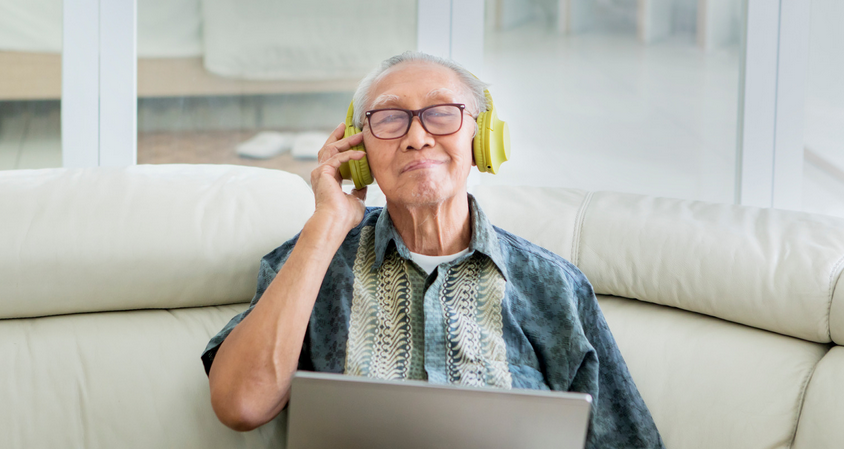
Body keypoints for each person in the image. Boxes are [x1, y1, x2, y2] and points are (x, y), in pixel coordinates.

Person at [202, 51, 664, 448]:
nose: (417, 136)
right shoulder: (312, 261)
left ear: (480, 137)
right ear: (358, 149)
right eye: (388, 118)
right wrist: (327, 223)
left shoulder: (551, 284)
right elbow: (242, 403)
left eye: (442, 113)